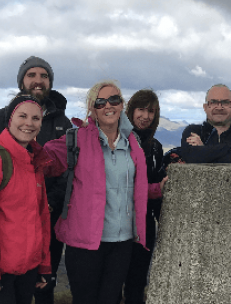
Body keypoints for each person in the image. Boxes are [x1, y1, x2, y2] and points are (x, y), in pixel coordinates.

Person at [43, 80, 165, 304]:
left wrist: (159, 189)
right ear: (92, 108)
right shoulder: (76, 139)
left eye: (114, 99)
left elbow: (134, 188)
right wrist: (3, 152)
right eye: (100, 102)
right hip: (84, 243)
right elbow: (43, 159)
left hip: (122, 242)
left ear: (121, 105)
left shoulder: (132, 142)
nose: (108, 105)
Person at [0, 56, 72, 304]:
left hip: (48, 217)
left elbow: (67, 170)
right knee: (12, 284)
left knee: (45, 282)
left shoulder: (62, 122)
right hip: (9, 220)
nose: (38, 80)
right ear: (21, 80)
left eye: (44, 76)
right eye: (31, 75)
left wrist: (50, 203)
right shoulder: (2, 117)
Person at [0, 95, 53, 304]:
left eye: (36, 118)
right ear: (9, 120)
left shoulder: (34, 163)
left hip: (27, 270)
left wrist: (43, 265)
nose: (29, 123)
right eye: (22, 116)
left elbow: (41, 218)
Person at [118, 89, 167, 304]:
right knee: (113, 281)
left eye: (151, 111)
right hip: (118, 220)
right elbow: (121, 185)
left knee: (137, 282)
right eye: (141, 109)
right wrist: (156, 188)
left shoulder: (155, 147)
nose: (146, 116)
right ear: (131, 111)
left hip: (144, 224)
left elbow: (157, 184)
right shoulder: (118, 141)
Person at [179, 84, 231, 164]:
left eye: (225, 102)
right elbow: (191, 157)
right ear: (205, 107)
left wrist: (204, 152)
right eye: (213, 102)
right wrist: (230, 149)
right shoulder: (193, 131)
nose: (219, 107)